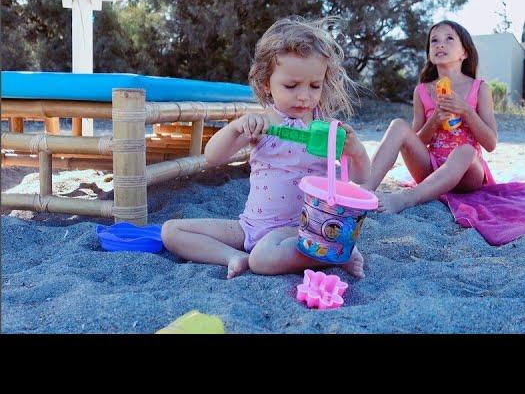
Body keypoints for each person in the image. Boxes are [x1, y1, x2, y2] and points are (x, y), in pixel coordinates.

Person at [161, 17, 371, 279]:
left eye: (314, 86)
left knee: (262, 259)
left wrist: (357, 151)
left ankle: (329, 253)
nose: (304, 96)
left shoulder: (326, 131)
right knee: (171, 231)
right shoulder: (262, 123)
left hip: (301, 230)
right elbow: (213, 157)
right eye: (291, 86)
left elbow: (362, 179)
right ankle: (233, 257)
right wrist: (237, 128)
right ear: (265, 84)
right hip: (251, 226)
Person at [362, 20, 497, 214]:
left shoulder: (480, 88)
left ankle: (406, 199)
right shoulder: (422, 91)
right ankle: (365, 190)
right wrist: (434, 122)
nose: (440, 44)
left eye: (449, 39)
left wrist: (466, 111)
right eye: (434, 40)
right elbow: (414, 141)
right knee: (398, 125)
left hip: (468, 174)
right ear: (429, 54)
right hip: (430, 170)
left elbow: (491, 144)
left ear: (464, 53)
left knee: (465, 151)